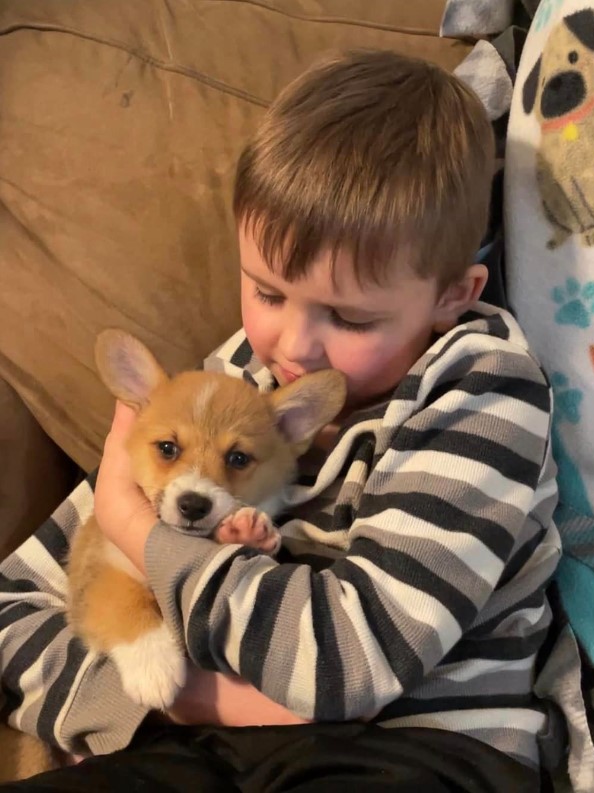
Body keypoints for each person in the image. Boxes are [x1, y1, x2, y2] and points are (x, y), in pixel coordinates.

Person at [0, 50, 561, 791]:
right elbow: (13, 603)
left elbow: (355, 664)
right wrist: (143, 702)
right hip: (208, 735)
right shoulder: (229, 381)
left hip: (425, 751)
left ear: (454, 293)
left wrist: (133, 526)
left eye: (350, 315)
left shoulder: (482, 391)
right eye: (267, 292)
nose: (293, 347)